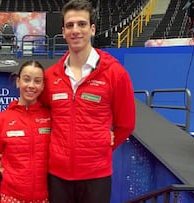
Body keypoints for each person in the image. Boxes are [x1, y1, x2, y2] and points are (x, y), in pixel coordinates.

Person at [40, 0, 136, 202]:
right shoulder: (51, 77)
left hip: (96, 176)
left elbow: (125, 124)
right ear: (63, 32)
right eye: (70, 25)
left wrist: (100, 147)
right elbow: (41, 115)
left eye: (81, 24)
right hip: (57, 176)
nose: (75, 30)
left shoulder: (115, 74)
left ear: (92, 29)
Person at [0, 60, 51, 203]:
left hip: (45, 198)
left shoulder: (51, 117)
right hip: (11, 198)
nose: (31, 86)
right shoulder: (2, 119)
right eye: (26, 79)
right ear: (18, 82)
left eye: (37, 81)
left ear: (43, 86)